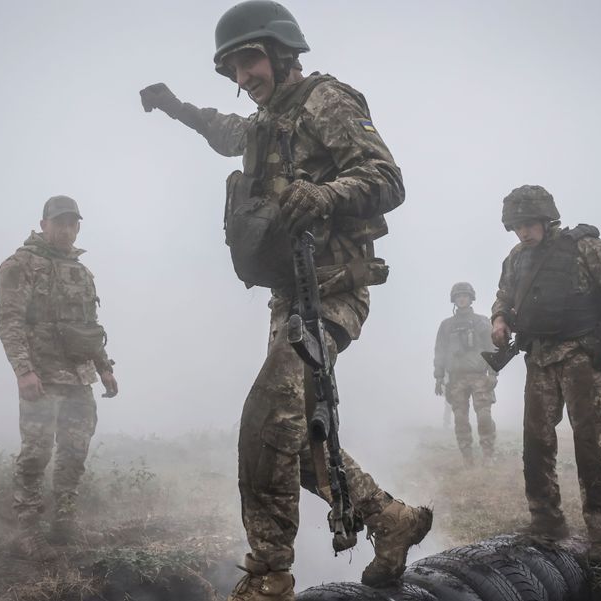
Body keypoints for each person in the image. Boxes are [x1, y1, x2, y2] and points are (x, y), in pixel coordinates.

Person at [140, 1, 430, 597]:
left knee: (266, 417)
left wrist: (326, 194)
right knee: (297, 441)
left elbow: (387, 178)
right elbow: (226, 131)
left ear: (280, 52)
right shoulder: (264, 122)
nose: (244, 78)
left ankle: (269, 573)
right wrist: (174, 107)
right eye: (234, 70)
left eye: (250, 61)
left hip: (334, 292)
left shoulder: (328, 101)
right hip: (289, 299)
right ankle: (389, 519)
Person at [490, 184, 601, 563]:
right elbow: (504, 296)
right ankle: (546, 521)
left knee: (590, 446)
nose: (523, 232)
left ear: (545, 217)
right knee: (536, 444)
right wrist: (498, 318)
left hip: (580, 356)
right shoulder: (516, 258)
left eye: (527, 224)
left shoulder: (584, 247)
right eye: (516, 226)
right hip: (538, 359)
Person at [0, 195, 119, 560]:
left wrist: (105, 367)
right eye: (59, 222)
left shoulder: (81, 272)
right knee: (35, 454)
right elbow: (9, 321)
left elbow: (89, 326)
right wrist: (24, 371)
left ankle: (64, 523)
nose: (66, 230)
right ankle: (28, 532)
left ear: (78, 227)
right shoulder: (20, 265)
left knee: (74, 452)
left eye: (72, 223)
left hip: (79, 378)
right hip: (41, 377)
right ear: (44, 224)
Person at [434, 282, 498, 465]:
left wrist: (493, 373)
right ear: (454, 299)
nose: (462, 299)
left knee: (484, 416)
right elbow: (440, 351)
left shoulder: (482, 322)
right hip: (456, 379)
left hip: (479, 376)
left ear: (471, 298)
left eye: (465, 295)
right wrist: (439, 377)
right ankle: (467, 457)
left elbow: (491, 347)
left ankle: (488, 454)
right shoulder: (446, 325)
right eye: (458, 296)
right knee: (460, 419)